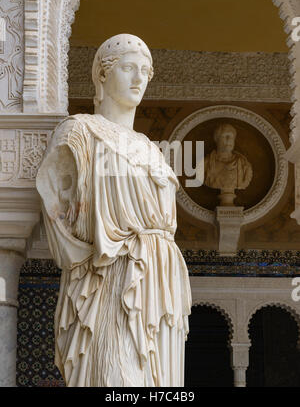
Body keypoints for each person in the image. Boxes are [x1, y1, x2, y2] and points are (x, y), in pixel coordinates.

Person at [36, 34, 191, 387]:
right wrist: (96, 248)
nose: (139, 78)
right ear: (102, 76)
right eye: (128, 68)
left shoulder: (152, 149)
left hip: (160, 285)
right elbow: (56, 207)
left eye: (145, 71)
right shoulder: (79, 132)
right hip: (110, 277)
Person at [203, 123, 253, 205]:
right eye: (225, 136)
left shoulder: (244, 165)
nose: (229, 139)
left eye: (231, 137)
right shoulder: (206, 164)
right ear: (217, 139)